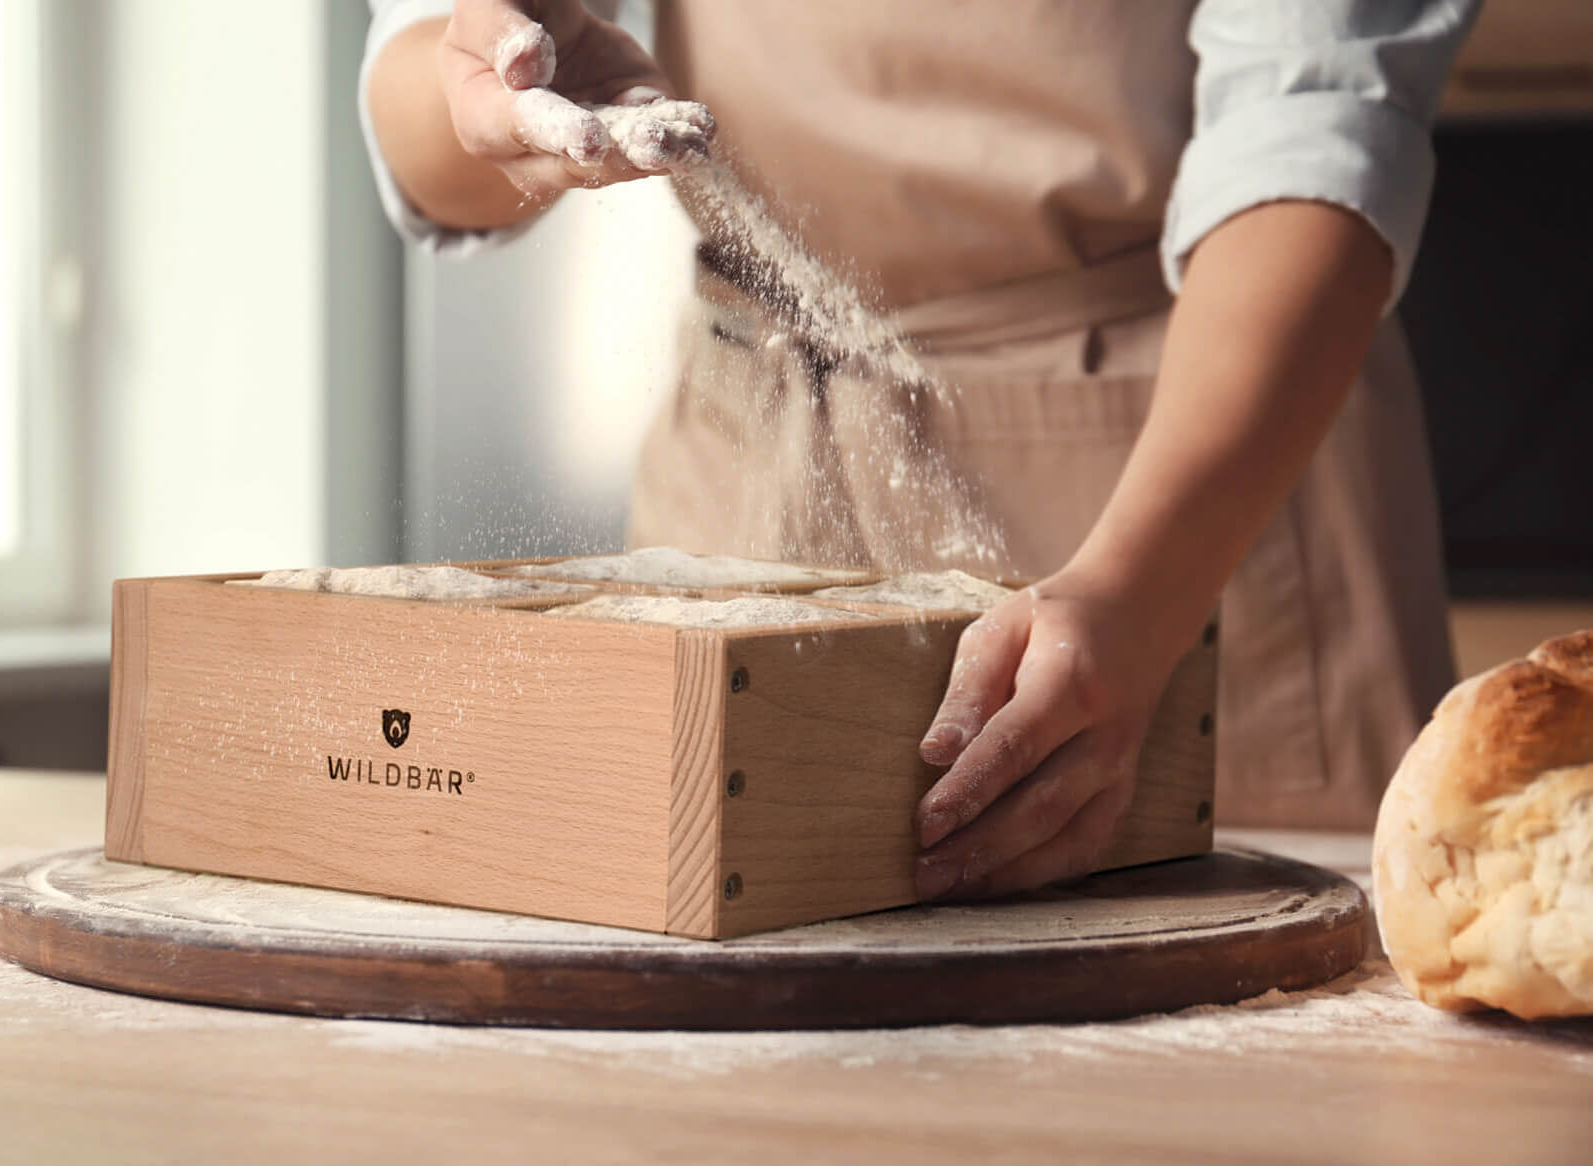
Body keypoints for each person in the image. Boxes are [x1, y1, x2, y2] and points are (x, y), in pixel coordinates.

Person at [361, 0, 1482, 901]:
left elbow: (1312, 133)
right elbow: (432, 132)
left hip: (1183, 499)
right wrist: (494, 86)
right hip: (749, 460)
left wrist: (1142, 594)